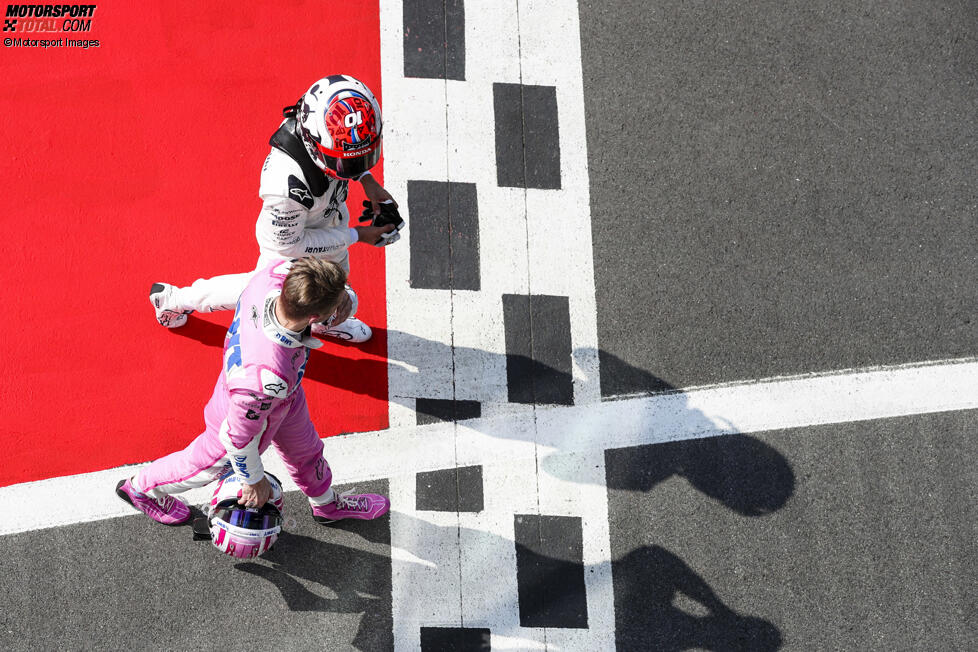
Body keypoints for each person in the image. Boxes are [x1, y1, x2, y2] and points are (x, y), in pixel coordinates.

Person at [117, 256, 391, 527]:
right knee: (201, 465)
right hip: (242, 413)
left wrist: (340, 293)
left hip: (283, 399)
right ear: (314, 317)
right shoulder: (267, 377)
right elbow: (235, 438)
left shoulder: (275, 275)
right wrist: (254, 480)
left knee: (307, 452)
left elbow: (300, 267)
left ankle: (327, 506)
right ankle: (140, 489)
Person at [149, 74, 399, 343]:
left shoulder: (321, 126)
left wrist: (367, 180)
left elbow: (345, 152)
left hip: (324, 216)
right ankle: (174, 299)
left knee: (335, 279)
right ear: (314, 142)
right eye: (350, 164)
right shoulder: (284, 188)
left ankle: (324, 320)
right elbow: (289, 246)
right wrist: (357, 235)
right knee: (260, 290)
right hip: (290, 243)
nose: (357, 167)